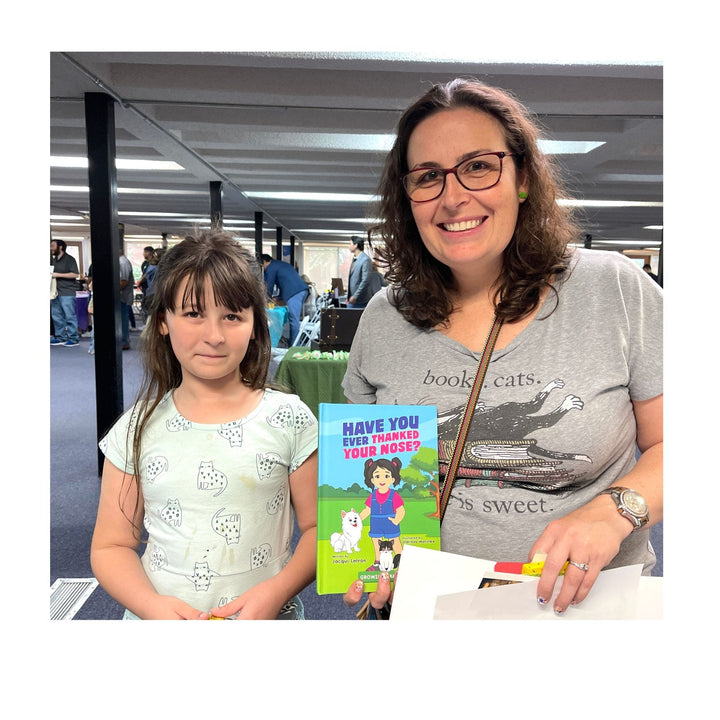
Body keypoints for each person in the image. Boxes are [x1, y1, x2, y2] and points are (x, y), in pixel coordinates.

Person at [341, 78, 663, 619]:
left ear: (522, 179)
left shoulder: (615, 291)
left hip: (585, 608)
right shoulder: (384, 318)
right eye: (427, 177)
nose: (453, 196)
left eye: (478, 166)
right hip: (429, 607)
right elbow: (374, 468)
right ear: (408, 197)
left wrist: (614, 512)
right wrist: (375, 553)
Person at [90, 230, 318, 619]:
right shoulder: (136, 428)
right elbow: (110, 546)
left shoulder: (290, 418)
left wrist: (278, 590)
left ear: (254, 324)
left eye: (232, 316)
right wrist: (152, 607)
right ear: (163, 321)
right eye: (194, 314)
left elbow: (319, 529)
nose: (213, 336)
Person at [261, 253, 309, 343]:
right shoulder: (279, 264)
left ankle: (294, 345)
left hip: (295, 292)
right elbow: (285, 284)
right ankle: (292, 341)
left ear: (264, 262)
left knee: (293, 319)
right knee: (293, 318)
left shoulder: (271, 267)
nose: (262, 270)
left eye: (261, 266)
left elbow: (269, 286)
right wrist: (278, 298)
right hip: (299, 290)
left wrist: (265, 300)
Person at [50, 239, 80, 347]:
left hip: (67, 292)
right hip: (55, 292)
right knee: (57, 316)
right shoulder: (53, 260)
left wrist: (57, 275)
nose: (51, 248)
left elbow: (75, 274)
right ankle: (60, 337)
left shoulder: (70, 259)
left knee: (69, 315)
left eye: (53, 246)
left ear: (60, 247)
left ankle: (74, 338)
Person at [346, 236, 372, 308]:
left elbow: (365, 280)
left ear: (356, 245)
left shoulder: (365, 260)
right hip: (352, 299)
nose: (349, 246)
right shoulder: (355, 258)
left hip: (360, 300)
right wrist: (348, 297)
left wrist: (355, 296)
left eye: (350, 243)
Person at [118, 248, 135, 349]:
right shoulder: (121, 261)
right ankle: (123, 340)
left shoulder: (123, 262)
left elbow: (123, 281)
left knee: (123, 319)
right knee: (121, 319)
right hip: (122, 296)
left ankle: (124, 342)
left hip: (122, 297)